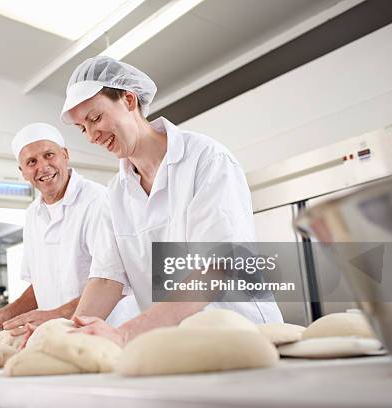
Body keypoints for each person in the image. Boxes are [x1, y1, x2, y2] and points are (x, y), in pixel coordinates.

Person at [59, 56, 283, 346]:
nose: (91, 136)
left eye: (95, 118)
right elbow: (106, 279)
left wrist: (125, 333)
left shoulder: (206, 159)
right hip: (178, 347)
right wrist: (67, 338)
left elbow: (216, 266)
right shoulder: (115, 194)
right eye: (82, 128)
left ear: (128, 100)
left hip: (244, 338)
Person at [0, 122, 139, 338]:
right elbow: (40, 284)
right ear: (22, 172)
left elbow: (115, 281)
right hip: (59, 336)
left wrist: (57, 315)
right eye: (31, 162)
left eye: (49, 155)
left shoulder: (98, 201)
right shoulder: (33, 214)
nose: (43, 167)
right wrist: (5, 313)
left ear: (65, 155)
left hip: (109, 332)